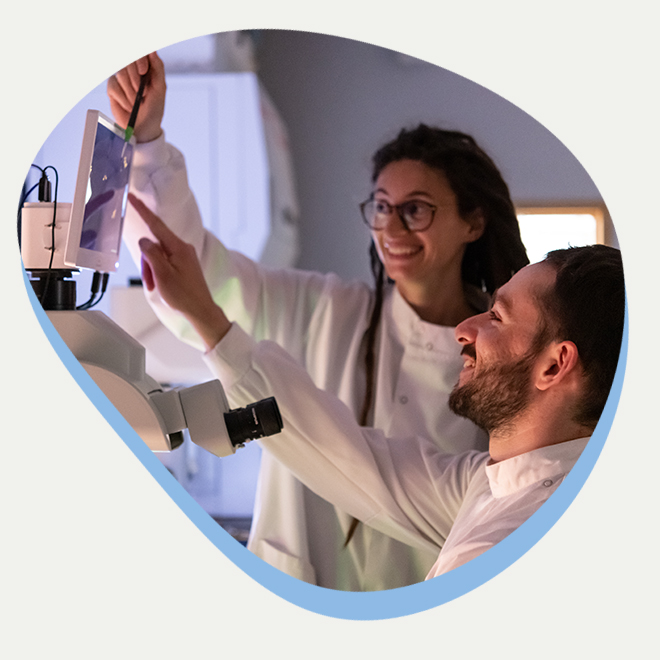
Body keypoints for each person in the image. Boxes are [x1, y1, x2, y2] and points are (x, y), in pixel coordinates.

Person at [107, 53, 529, 590]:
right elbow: (201, 277)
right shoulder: (321, 308)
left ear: (473, 221)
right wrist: (146, 148)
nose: (392, 228)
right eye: (380, 207)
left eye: (416, 209)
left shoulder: (500, 355)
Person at [130, 195, 625, 577]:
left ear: (554, 365)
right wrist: (206, 316)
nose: (464, 329)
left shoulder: (495, 548)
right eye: (381, 206)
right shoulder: (499, 484)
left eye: (496, 317)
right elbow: (355, 460)